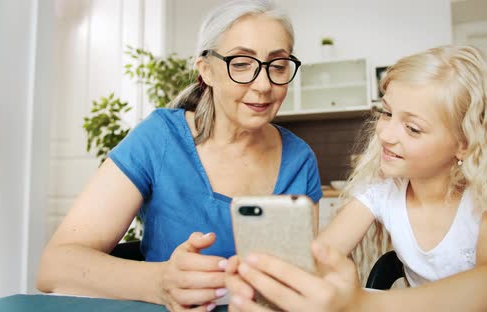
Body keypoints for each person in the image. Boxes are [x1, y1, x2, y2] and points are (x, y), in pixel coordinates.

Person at [225, 45, 487, 311]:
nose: (386, 134)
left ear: (464, 144)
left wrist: (362, 303)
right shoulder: (381, 193)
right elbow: (324, 253)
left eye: (412, 127)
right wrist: (269, 277)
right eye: (387, 113)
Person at [37, 1, 322, 311]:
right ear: (206, 71)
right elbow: (54, 267)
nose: (264, 85)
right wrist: (159, 282)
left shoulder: (299, 161)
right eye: (241, 63)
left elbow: (296, 286)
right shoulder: (159, 138)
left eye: (278, 65)